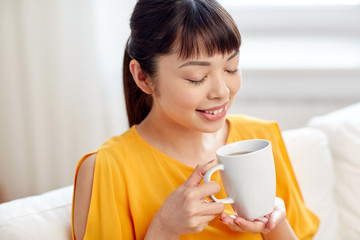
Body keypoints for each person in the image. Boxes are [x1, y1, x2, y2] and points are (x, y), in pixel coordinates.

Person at [72, 0, 320, 239]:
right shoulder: (106, 169)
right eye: (196, 77)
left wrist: (273, 224)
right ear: (143, 78)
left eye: (231, 68)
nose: (222, 91)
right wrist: (164, 229)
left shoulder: (261, 139)